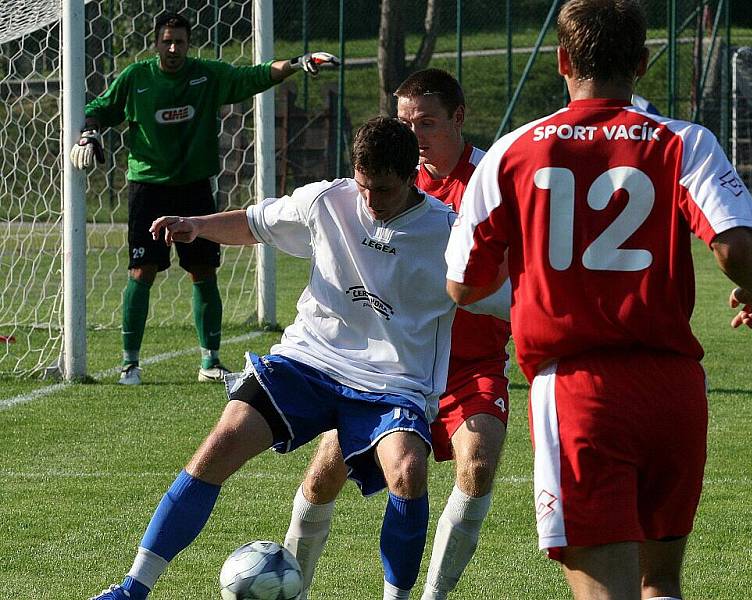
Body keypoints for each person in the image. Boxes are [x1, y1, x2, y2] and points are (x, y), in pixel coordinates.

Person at [89, 117, 509, 600]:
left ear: (412, 176)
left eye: (385, 191)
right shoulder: (328, 200)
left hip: (393, 384)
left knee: (409, 471)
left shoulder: (448, 233)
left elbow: (507, 295)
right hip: (309, 362)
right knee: (223, 439)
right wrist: (197, 226)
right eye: (364, 185)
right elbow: (254, 223)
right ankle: (132, 588)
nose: (371, 200)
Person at [444, 1, 752, 599]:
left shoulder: (514, 152)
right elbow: (732, 244)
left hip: (580, 393)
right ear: (644, 63)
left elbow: (464, 286)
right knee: (663, 583)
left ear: (561, 60)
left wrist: (538, 265)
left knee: (606, 589)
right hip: (674, 390)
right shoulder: (685, 141)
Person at [281, 68, 512, 600]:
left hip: (468, 364)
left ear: (458, 118)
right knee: (323, 477)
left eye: (426, 122)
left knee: (477, 462)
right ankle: (289, 588)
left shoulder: (495, 181)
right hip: (391, 365)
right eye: (404, 122)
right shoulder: (391, 177)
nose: (413, 136)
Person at [69, 11, 339, 385]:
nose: (174, 48)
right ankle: (130, 363)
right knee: (141, 271)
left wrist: (298, 62)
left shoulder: (206, 75)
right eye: (167, 41)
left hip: (195, 187)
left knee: (203, 271)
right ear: (156, 43)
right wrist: (89, 134)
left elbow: (255, 75)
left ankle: (210, 361)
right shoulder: (136, 78)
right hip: (148, 186)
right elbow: (100, 109)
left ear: (188, 42)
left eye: (180, 41)